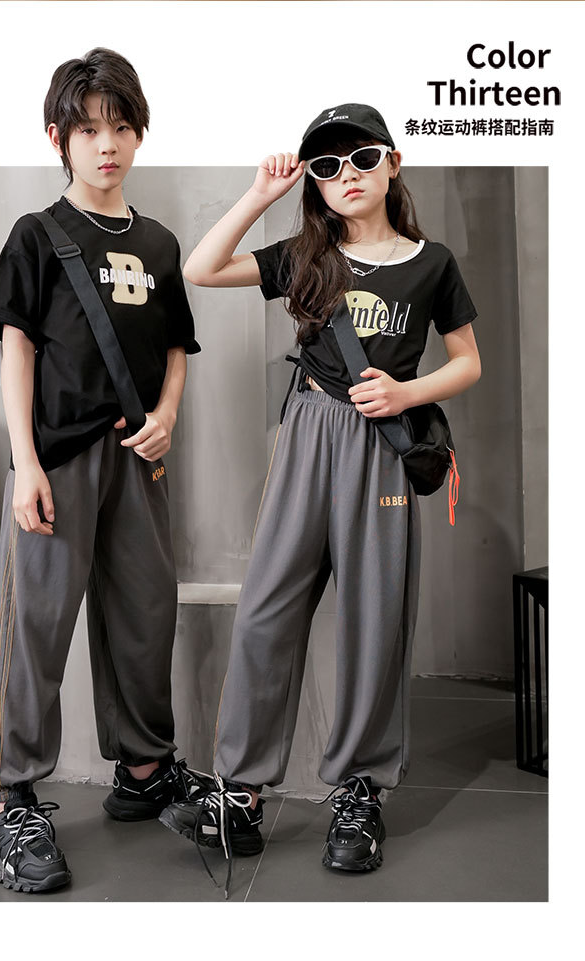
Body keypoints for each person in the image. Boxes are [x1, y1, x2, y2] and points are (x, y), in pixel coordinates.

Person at [159, 104, 481, 881]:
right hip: (308, 432)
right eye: (328, 166)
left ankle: (360, 791)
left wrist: (406, 393)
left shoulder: (432, 263)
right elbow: (201, 268)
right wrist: (259, 195)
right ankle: (240, 793)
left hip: (382, 443)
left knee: (375, 615)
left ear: (394, 163)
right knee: (269, 606)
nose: (348, 175)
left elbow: (468, 360)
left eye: (363, 157)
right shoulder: (307, 256)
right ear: (316, 182)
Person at [0, 48, 205, 893]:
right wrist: (27, 461)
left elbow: (177, 345)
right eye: (89, 129)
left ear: (139, 134)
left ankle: (144, 770)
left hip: (137, 457)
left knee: (144, 614)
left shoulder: (159, 242)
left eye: (121, 126)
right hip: (59, 457)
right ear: (59, 139)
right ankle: (8, 797)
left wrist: (168, 414)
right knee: (35, 627)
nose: (106, 144)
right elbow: (17, 349)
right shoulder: (37, 234)